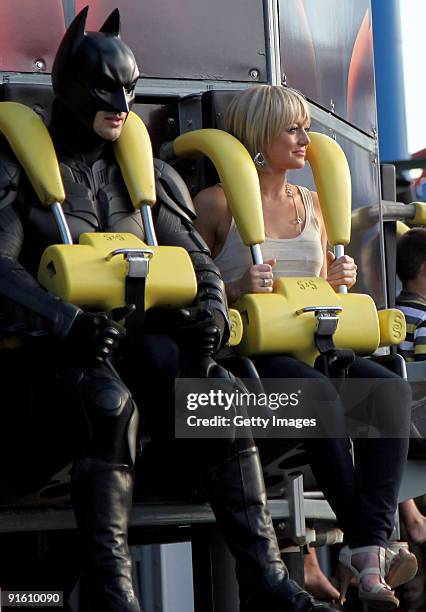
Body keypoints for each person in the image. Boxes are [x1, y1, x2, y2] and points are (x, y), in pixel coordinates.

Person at [0, 11, 333, 612]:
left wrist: (209, 305)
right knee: (108, 401)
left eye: (129, 90)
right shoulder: (16, 167)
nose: (121, 104)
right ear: (71, 86)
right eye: (106, 89)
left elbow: (194, 255)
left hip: (142, 348)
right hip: (54, 359)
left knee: (223, 394)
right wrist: (63, 320)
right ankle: (111, 592)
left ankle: (269, 578)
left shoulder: (143, 174)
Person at [194, 84, 414, 610]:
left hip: (312, 347)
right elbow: (188, 290)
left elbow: (314, 288)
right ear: (257, 134)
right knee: (315, 395)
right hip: (248, 359)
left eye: (305, 126)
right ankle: (372, 549)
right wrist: (235, 288)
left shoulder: (311, 203)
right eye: (291, 127)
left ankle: (365, 547)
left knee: (390, 392)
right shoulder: (215, 202)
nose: (304, 137)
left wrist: (340, 278)